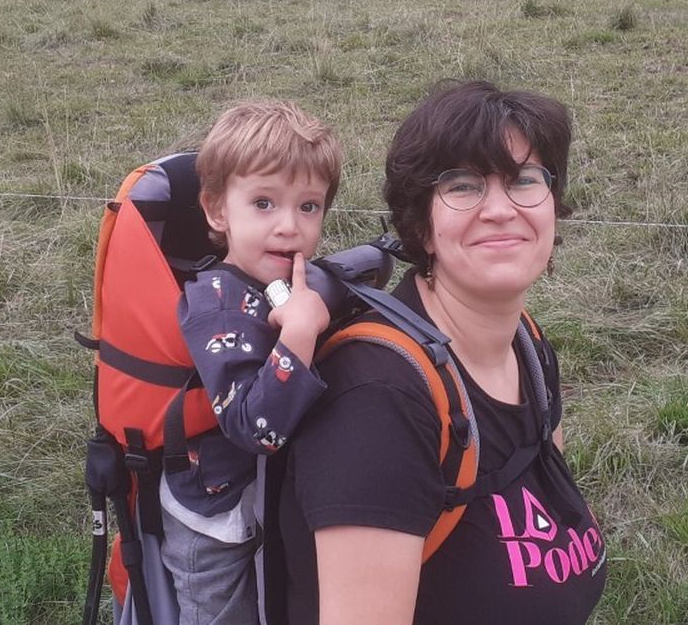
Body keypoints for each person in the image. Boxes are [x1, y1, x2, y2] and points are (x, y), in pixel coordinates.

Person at [271, 80, 607, 625]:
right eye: (464, 185)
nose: (500, 209)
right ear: (422, 226)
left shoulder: (526, 342)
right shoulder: (377, 404)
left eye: (524, 180)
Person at [163, 99, 343, 625]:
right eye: (264, 203)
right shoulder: (214, 302)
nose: (290, 227)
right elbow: (253, 426)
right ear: (218, 211)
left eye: (308, 206)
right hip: (212, 519)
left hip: (262, 496)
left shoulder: (282, 282)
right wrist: (302, 331)